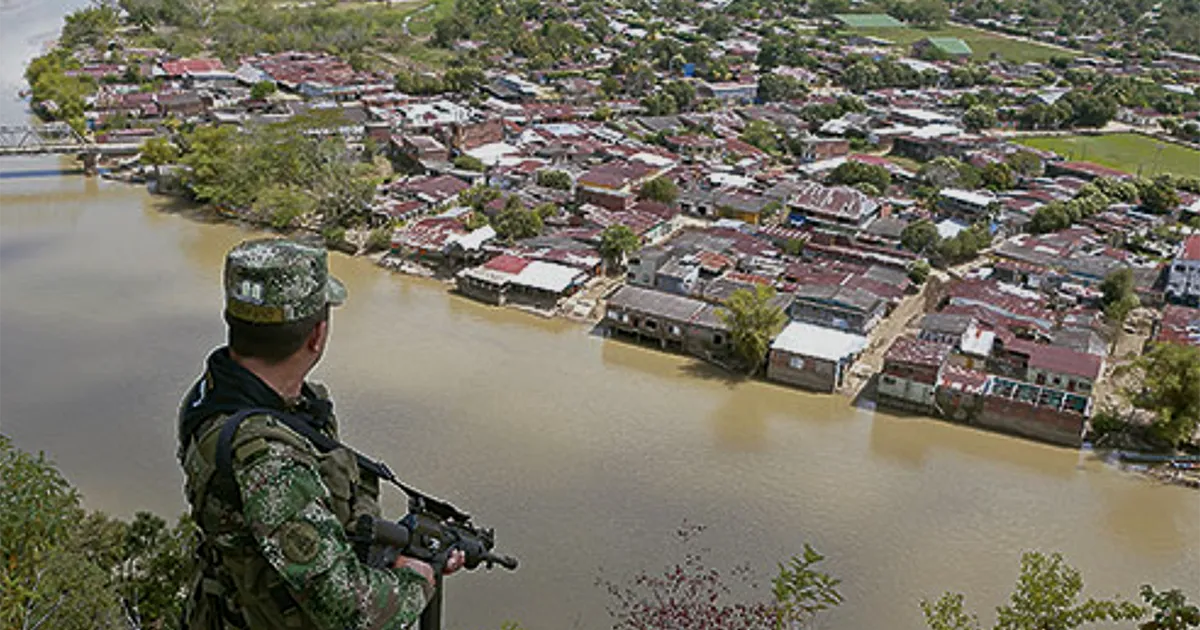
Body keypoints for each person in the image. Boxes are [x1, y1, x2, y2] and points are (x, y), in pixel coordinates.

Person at [177, 238, 462, 630]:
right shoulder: (270, 459)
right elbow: (350, 612)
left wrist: (386, 539)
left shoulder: (213, 393)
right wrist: (416, 577)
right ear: (317, 335)